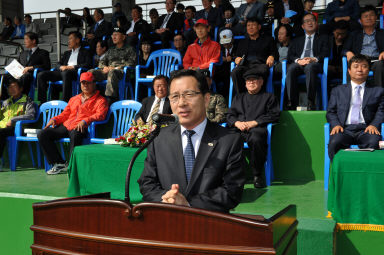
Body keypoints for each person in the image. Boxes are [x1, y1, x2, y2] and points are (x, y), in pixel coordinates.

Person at [138, 69, 246, 213]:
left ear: (206, 99)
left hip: (211, 225)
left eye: (189, 94)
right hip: (166, 222)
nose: (181, 103)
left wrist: (187, 204)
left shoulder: (229, 141)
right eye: (175, 96)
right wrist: (167, 198)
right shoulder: (158, 138)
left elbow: (232, 191)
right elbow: (147, 183)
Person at [37, 72, 108, 175]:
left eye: (88, 83)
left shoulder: (101, 100)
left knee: (75, 135)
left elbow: (100, 115)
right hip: (67, 125)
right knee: (43, 134)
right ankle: (59, 163)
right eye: (83, 83)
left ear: (94, 84)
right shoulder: (74, 99)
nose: (85, 86)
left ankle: (72, 166)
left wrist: (85, 120)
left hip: (82, 127)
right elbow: (65, 114)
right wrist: (55, 119)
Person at [227, 69, 280, 188]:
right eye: (248, 81)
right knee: (228, 139)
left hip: (257, 129)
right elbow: (229, 115)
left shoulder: (269, 97)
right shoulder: (238, 97)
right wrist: (237, 123)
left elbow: (274, 115)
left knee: (257, 139)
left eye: (254, 80)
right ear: (245, 84)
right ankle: (233, 175)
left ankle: (257, 175)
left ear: (261, 82)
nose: (251, 83)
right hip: (239, 129)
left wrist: (255, 122)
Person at [326, 54, 384, 160]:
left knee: (374, 142)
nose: (360, 69)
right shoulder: (337, 91)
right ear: (349, 70)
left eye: (364, 66)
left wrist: (374, 125)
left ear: (368, 70)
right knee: (335, 142)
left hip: (366, 129)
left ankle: (365, 174)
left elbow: (381, 111)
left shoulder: (378, 91)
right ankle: (339, 174)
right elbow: (331, 111)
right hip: (344, 129)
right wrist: (336, 124)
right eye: (356, 66)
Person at [285, 13, 329, 110]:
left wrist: (314, 59)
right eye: (306, 21)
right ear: (302, 26)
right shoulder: (296, 40)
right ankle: (292, 103)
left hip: (315, 64)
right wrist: (298, 60)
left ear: (316, 23)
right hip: (300, 64)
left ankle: (310, 102)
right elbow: (290, 56)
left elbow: (326, 53)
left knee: (310, 67)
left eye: (312, 20)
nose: (309, 22)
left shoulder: (323, 38)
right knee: (291, 68)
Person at [37, 31, 92, 103]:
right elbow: (58, 64)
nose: (68, 41)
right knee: (41, 74)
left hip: (75, 73)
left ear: (77, 40)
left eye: (70, 39)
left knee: (66, 73)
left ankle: (65, 102)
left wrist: (71, 67)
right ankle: (42, 102)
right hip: (63, 72)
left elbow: (88, 64)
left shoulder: (85, 52)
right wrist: (61, 67)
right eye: (68, 39)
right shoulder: (67, 53)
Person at [90, 27, 136, 104]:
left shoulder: (130, 49)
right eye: (113, 35)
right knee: (90, 72)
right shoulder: (111, 50)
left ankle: (110, 100)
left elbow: (131, 63)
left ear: (123, 37)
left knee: (113, 72)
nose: (113, 37)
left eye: (116, 35)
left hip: (121, 73)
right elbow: (101, 61)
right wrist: (105, 67)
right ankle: (90, 97)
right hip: (108, 71)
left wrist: (115, 68)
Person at [231, 17, 276, 94]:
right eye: (248, 25)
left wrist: (271, 56)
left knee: (263, 70)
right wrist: (236, 59)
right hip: (246, 66)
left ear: (259, 27)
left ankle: (260, 96)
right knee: (235, 72)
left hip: (261, 65)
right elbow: (236, 56)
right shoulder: (242, 42)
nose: (250, 27)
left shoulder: (268, 39)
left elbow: (275, 53)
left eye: (253, 25)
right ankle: (242, 96)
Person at [343, 5, 384, 87]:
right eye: (365, 16)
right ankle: (350, 96)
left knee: (380, 65)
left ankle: (379, 95)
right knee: (352, 66)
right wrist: (348, 52)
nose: (369, 18)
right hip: (360, 61)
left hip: (377, 61)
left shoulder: (382, 33)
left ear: (376, 17)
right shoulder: (354, 34)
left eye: (371, 15)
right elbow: (344, 49)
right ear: (360, 20)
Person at [0, 78, 35, 169]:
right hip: (3, 127)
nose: (12, 89)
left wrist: (13, 120)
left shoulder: (27, 100)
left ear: (21, 89)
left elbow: (31, 115)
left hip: (17, 128)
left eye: (14, 87)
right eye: (10, 87)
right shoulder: (6, 102)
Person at [13, 32, 51, 100]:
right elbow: (17, 64)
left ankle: (22, 99)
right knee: (4, 76)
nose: (24, 41)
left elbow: (47, 66)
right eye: (24, 39)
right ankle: (4, 99)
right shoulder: (23, 53)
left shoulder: (43, 52)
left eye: (26, 39)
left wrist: (31, 67)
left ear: (33, 41)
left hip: (31, 75)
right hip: (18, 74)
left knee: (25, 76)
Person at [213, 28, 236, 97]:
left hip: (232, 71)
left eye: (227, 42)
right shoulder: (220, 49)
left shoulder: (238, 47)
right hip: (221, 71)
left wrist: (232, 58)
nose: (225, 44)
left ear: (232, 39)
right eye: (224, 43)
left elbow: (241, 56)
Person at [328, 21, 349, 86]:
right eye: (338, 33)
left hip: (345, 69)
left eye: (343, 34)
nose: (340, 36)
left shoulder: (350, 41)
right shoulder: (328, 40)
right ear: (333, 31)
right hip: (330, 68)